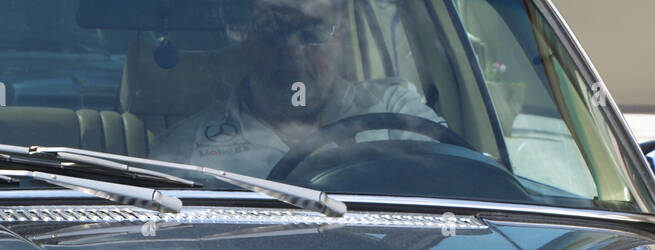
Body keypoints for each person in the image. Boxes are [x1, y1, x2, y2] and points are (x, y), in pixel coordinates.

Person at [151, 0, 444, 178]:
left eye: (313, 31)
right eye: (272, 30)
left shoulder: (394, 108)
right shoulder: (184, 150)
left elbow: (459, 178)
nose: (292, 50)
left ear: (338, 38)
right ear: (246, 40)